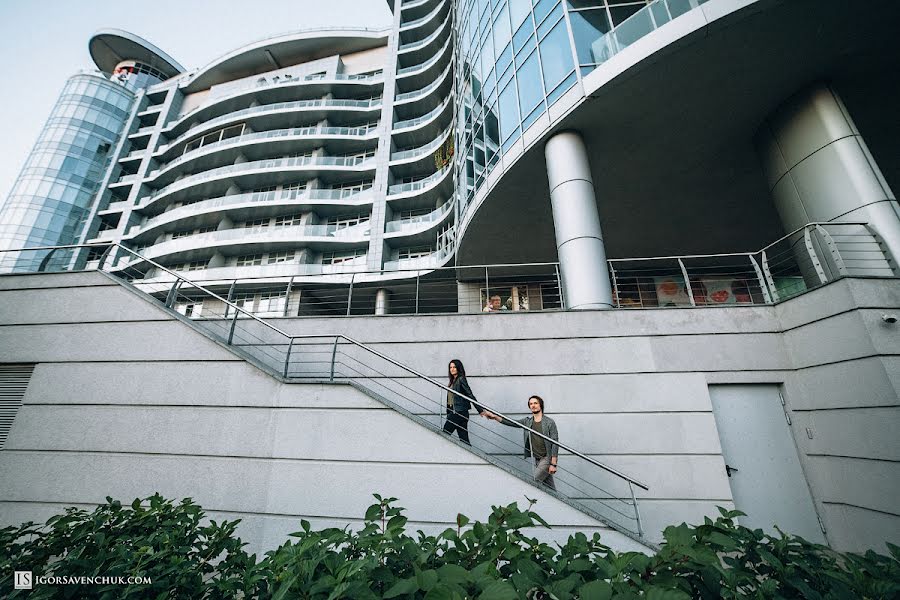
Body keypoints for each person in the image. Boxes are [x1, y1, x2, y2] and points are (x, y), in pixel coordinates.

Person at [484, 395, 558, 490]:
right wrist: (495, 417)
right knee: (550, 488)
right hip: (537, 459)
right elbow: (512, 423)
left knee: (534, 482)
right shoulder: (528, 421)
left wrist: (553, 464)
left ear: (540, 405)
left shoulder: (549, 422)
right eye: (531, 404)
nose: (533, 405)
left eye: (535, 403)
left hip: (547, 458)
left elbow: (555, 442)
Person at [442, 359, 485, 445]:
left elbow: (470, 394)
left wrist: (480, 410)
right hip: (458, 413)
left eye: (454, 367)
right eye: (450, 367)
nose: (452, 369)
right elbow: (450, 400)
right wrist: (449, 414)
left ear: (458, 368)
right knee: (465, 441)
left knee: (444, 435)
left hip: (459, 413)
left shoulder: (461, 379)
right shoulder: (452, 381)